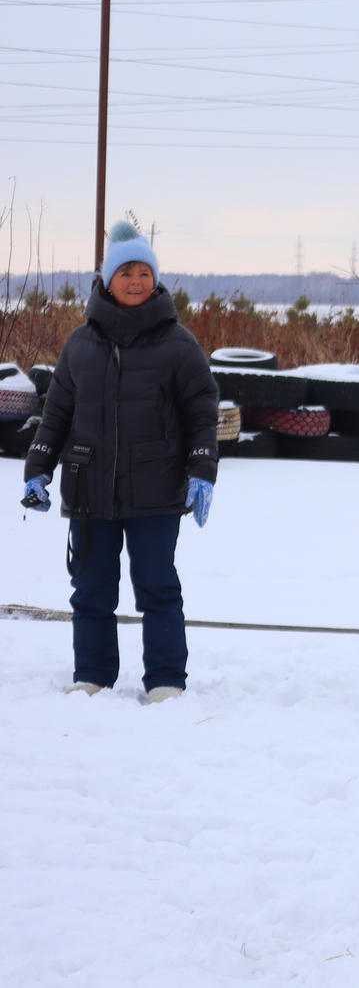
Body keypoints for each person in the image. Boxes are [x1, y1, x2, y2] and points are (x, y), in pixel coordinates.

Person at [22, 221, 218, 702]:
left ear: (156, 280)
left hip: (156, 489)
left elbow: (202, 412)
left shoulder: (179, 343)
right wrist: (38, 469)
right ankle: (92, 676)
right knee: (90, 590)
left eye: (144, 272)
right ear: (106, 280)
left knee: (157, 588)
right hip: (89, 490)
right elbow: (57, 415)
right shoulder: (80, 344)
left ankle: (166, 681)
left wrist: (201, 470)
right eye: (126, 271)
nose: (136, 280)